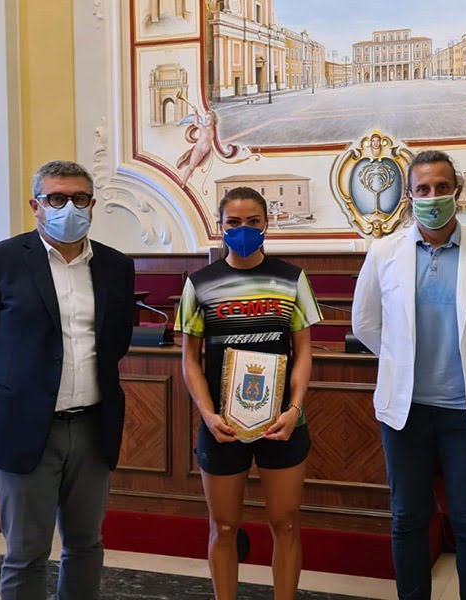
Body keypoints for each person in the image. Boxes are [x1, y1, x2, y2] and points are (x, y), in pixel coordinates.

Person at [0, 160, 135, 599]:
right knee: (26, 553)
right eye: (56, 198)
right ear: (36, 206)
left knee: (86, 545)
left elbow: (116, 340)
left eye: (79, 198)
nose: (68, 207)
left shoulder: (115, 265)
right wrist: (7, 389)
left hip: (92, 427)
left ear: (92, 205)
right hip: (23, 426)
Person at [351, 150, 466, 599]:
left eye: (442, 187)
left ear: (458, 192)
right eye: (423, 189)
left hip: (464, 411)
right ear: (409, 197)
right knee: (408, 518)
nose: (433, 196)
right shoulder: (384, 252)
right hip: (405, 412)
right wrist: (401, 359)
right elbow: (366, 324)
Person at [176, 186, 322, 600]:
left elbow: (304, 351)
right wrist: (207, 414)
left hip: (282, 422)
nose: (243, 229)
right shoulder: (199, 284)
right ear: (220, 226)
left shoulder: (292, 279)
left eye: (253, 221)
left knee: (286, 525)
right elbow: (190, 359)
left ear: (266, 224)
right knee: (223, 527)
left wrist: (294, 408)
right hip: (221, 425)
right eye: (234, 222)